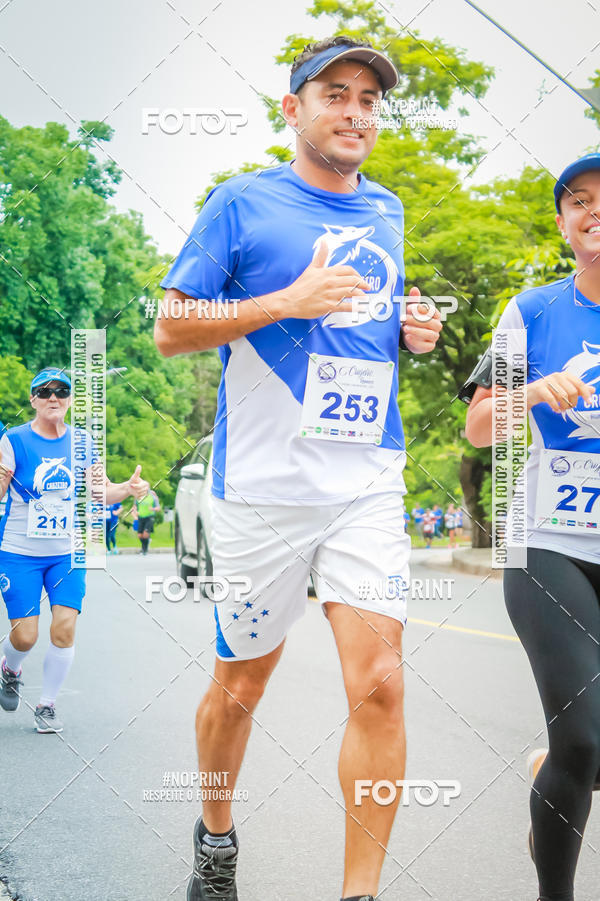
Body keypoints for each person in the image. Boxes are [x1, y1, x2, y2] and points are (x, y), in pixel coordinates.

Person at [155, 35, 443, 901]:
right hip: (262, 490)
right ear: (294, 109)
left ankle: (361, 892)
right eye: (335, 94)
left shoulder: (386, 208)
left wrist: (411, 333)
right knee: (240, 686)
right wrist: (284, 301)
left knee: (381, 687)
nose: (355, 112)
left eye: (369, 99)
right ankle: (215, 834)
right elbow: (170, 328)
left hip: (365, 479)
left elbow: (359, 325)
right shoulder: (240, 203)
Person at [461, 153, 600, 901]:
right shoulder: (533, 312)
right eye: (579, 201)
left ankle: (555, 772)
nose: (594, 210)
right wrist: (535, 392)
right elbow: (481, 426)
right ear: (563, 224)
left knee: (587, 751)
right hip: (547, 543)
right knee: (581, 738)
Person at [0, 368, 150, 732]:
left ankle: (47, 705)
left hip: (67, 552)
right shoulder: (13, 439)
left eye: (61, 391)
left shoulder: (82, 442)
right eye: (44, 391)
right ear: (33, 400)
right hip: (19, 552)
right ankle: (10, 668)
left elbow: (100, 492)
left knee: (64, 628)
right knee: (25, 636)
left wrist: (128, 489)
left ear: (69, 400)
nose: (53, 397)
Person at [134, 489, 160, 555]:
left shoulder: (152, 496)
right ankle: (146, 543)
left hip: (149, 517)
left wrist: (153, 509)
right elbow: (135, 506)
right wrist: (135, 512)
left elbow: (158, 508)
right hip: (140, 517)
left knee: (145, 534)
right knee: (140, 535)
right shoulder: (138, 496)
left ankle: (144, 549)